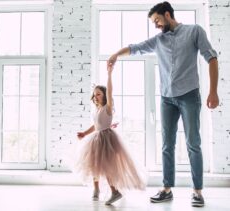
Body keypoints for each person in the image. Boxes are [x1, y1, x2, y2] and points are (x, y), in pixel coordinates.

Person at [107, 1, 219, 208]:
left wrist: (213, 91)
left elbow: (211, 58)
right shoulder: (159, 41)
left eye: (157, 20)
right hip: (167, 98)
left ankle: (197, 192)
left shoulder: (194, 31)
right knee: (167, 145)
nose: (156, 25)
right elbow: (136, 48)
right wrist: (115, 54)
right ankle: (167, 189)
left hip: (189, 95)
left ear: (167, 15)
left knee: (193, 143)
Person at [76, 64, 145, 205]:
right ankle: (96, 190)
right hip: (96, 138)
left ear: (105, 96)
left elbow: (110, 91)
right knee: (94, 164)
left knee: (106, 167)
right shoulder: (97, 109)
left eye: (99, 94)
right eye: (94, 95)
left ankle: (115, 191)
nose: (95, 97)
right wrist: (84, 133)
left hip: (106, 139)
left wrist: (109, 74)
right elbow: (96, 126)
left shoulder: (107, 107)